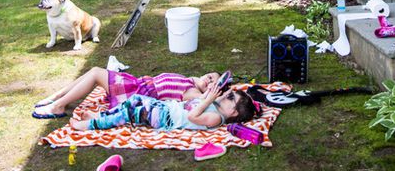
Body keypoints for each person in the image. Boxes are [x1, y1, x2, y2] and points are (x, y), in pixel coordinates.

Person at [32, 67, 221, 118]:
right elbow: (199, 79)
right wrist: (204, 81)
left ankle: (58, 106)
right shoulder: (191, 80)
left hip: (137, 92)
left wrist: (212, 92)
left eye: (212, 83)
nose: (209, 80)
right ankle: (57, 97)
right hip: (136, 83)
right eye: (211, 76)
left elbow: (203, 100)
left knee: (96, 73)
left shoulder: (192, 92)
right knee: (94, 71)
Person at [70, 83, 256, 132]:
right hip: (165, 107)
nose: (224, 95)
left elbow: (192, 117)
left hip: (165, 118)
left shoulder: (216, 118)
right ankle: (101, 116)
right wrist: (211, 94)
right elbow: (200, 100)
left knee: (129, 113)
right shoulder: (215, 103)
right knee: (134, 99)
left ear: (232, 112)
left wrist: (207, 101)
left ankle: (91, 125)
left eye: (230, 97)